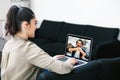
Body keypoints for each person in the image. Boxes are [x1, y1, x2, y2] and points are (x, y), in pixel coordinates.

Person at [1, 5, 78, 80]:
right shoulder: (28, 48)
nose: (36, 27)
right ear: (26, 25)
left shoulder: (9, 43)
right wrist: (68, 63)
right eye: (35, 23)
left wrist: (50, 60)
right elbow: (62, 69)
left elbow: (24, 66)